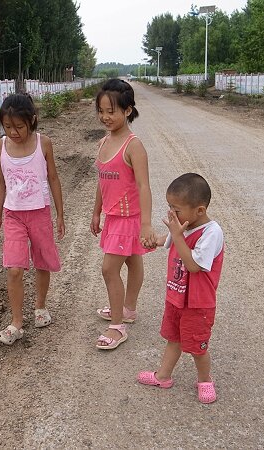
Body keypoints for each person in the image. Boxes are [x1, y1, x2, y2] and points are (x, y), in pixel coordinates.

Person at [138, 173, 224, 404]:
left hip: (198, 304)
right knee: (173, 339)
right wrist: (153, 240)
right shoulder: (184, 227)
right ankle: (163, 376)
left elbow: (194, 265)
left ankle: (205, 381)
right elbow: (165, 240)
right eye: (169, 207)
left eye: (176, 209)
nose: (171, 214)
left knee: (197, 346)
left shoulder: (211, 233)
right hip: (176, 298)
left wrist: (177, 236)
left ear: (200, 210)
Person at [0, 93, 65, 345]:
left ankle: (40, 307)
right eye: (8, 127)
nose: (13, 132)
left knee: (42, 262)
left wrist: (60, 213)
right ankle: (16, 322)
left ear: (32, 121)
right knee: (14, 268)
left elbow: (53, 178)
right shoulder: (0, 146)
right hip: (13, 214)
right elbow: (0, 182)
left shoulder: (44, 143)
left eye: (19, 126)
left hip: (40, 212)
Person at [90, 78, 156, 350]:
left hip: (129, 219)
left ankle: (117, 327)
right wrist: (96, 213)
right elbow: (102, 180)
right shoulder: (104, 142)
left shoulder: (133, 145)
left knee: (109, 268)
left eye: (112, 111)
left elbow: (144, 186)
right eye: (101, 111)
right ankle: (128, 309)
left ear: (128, 110)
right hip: (112, 217)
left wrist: (146, 225)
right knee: (132, 262)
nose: (105, 117)